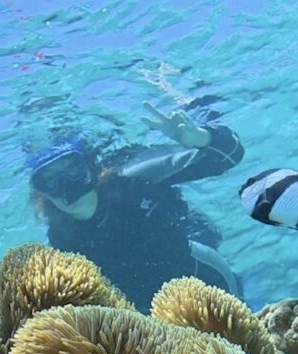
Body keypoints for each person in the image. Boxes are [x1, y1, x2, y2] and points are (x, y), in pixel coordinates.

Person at [28, 101, 245, 310]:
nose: (66, 184)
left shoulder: (135, 182)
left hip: (204, 276)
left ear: (91, 166)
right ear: (41, 192)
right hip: (144, 317)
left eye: (73, 168)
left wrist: (202, 138)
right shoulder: (60, 237)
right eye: (49, 180)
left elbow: (230, 157)